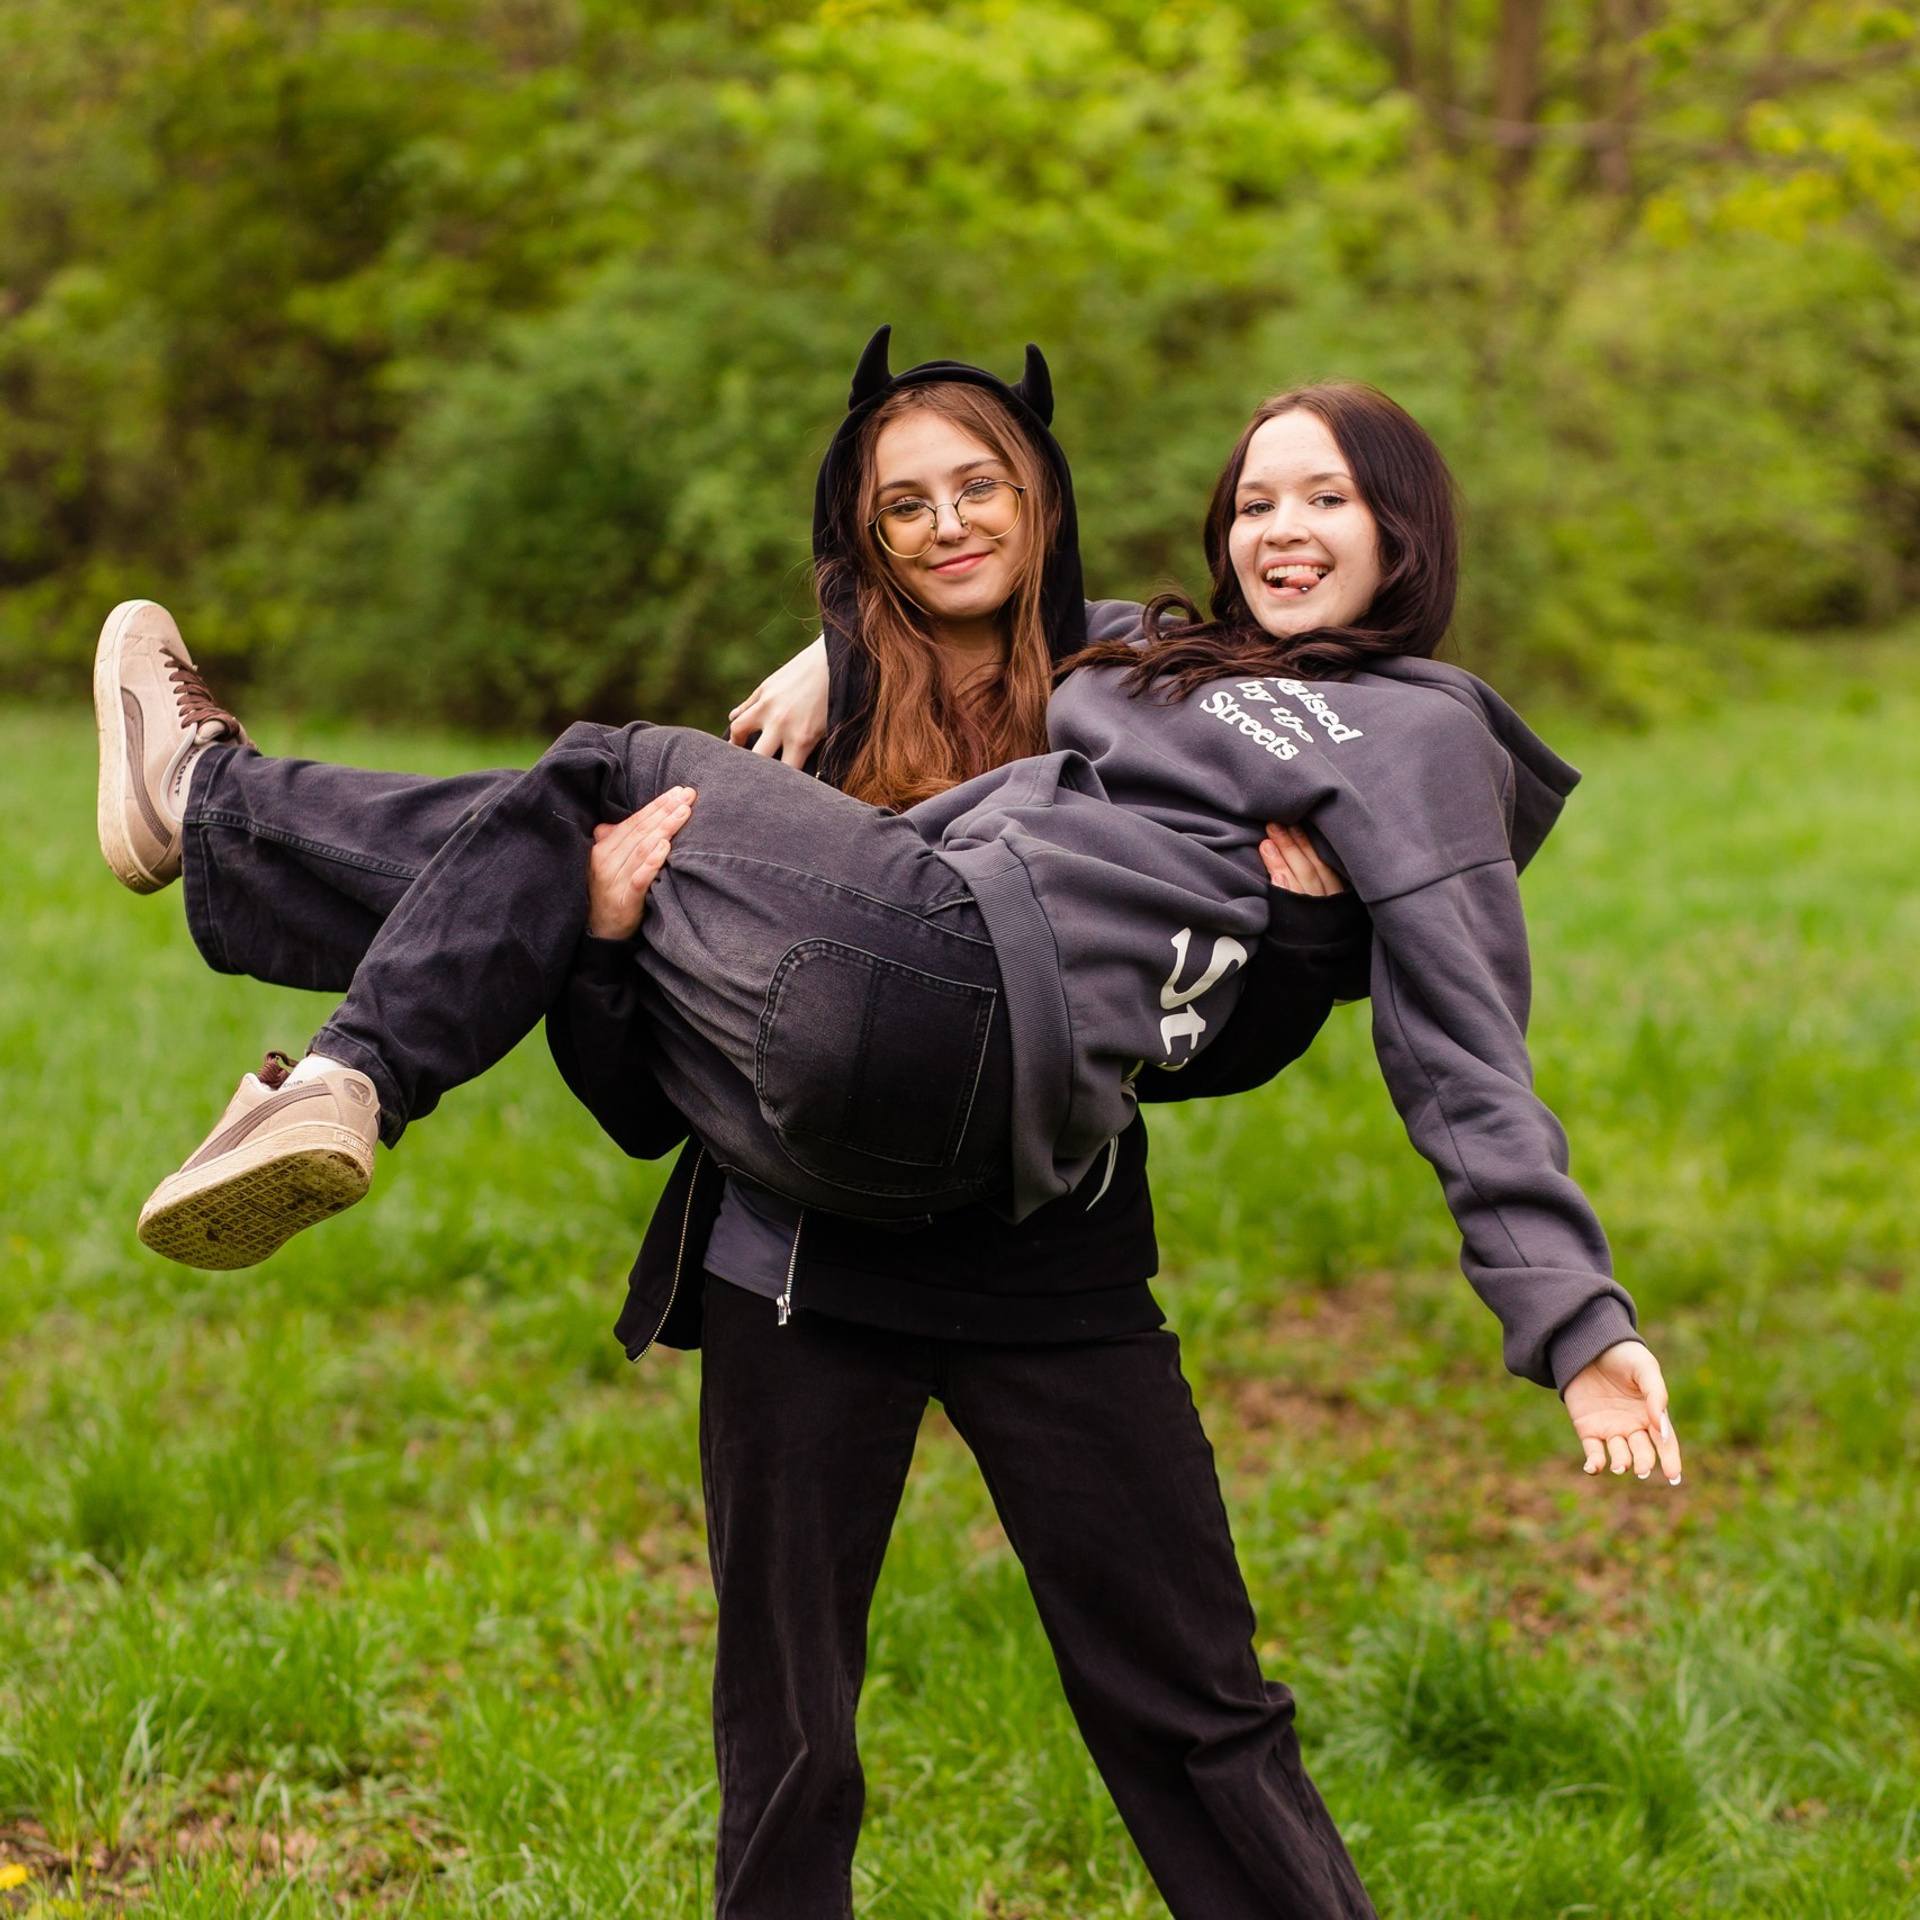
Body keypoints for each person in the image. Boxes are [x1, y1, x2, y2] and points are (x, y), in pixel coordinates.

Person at [95, 332, 1388, 1916]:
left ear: (1045, 500)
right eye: (900, 507)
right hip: (799, 1265)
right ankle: (307, 998)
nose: (947, 524)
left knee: (1199, 1709)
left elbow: (1204, 1035)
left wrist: (1315, 941)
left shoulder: (1155, 704)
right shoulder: (797, 752)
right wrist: (613, 948)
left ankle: (253, 878)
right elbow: (650, 1108)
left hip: (1053, 1269)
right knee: (786, 1741)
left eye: (979, 484)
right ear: (860, 544)